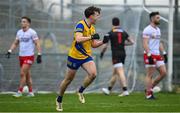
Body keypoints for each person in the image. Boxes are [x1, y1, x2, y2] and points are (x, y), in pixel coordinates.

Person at [56, 6, 107, 111]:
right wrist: (91, 37)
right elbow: (78, 39)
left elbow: (93, 44)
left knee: (93, 74)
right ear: (91, 16)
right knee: (68, 80)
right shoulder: (80, 24)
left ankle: (80, 91)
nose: (98, 17)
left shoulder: (92, 28)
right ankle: (59, 99)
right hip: (74, 57)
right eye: (97, 15)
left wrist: (103, 42)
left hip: (86, 56)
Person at [6, 16, 42, 97]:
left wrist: (39, 54)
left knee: (22, 74)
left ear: (28, 23)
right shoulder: (19, 32)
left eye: (24, 21)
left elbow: (37, 43)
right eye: (22, 21)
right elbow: (15, 43)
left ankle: (19, 92)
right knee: (27, 75)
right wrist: (10, 50)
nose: (22, 23)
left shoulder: (32, 32)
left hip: (29, 56)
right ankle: (31, 92)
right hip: (21, 56)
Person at [100, 17, 134, 96]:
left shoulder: (110, 32)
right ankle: (108, 89)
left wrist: (102, 53)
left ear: (112, 23)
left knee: (120, 72)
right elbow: (132, 42)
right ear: (119, 23)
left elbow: (105, 46)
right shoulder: (123, 32)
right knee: (115, 73)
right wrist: (123, 44)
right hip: (123, 54)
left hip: (116, 54)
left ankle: (125, 90)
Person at [142, 12, 167, 99]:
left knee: (163, 72)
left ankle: (149, 88)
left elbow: (159, 42)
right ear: (152, 19)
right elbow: (144, 43)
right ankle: (149, 94)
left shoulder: (158, 30)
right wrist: (149, 54)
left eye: (159, 17)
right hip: (150, 54)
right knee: (150, 74)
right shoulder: (147, 29)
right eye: (157, 18)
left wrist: (164, 52)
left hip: (157, 54)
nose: (159, 19)